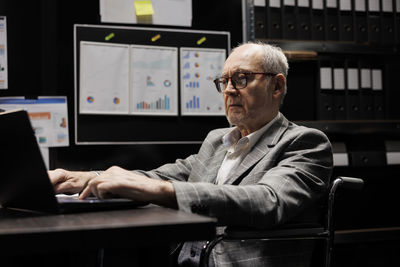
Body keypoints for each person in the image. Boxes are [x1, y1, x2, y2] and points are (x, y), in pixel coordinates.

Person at [49, 42, 333, 267]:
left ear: (277, 86)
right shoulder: (218, 141)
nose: (230, 90)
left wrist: (162, 191)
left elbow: (268, 200)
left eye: (242, 79)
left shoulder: (305, 143)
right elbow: (159, 177)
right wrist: (84, 178)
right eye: (224, 81)